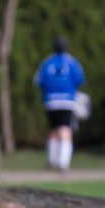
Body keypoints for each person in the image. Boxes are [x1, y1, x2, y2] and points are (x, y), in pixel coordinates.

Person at [33, 37, 86, 171]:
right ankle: (63, 163)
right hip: (67, 101)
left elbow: (38, 80)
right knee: (65, 129)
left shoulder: (47, 62)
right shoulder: (72, 62)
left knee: (54, 129)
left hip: (50, 101)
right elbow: (80, 79)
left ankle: (52, 160)